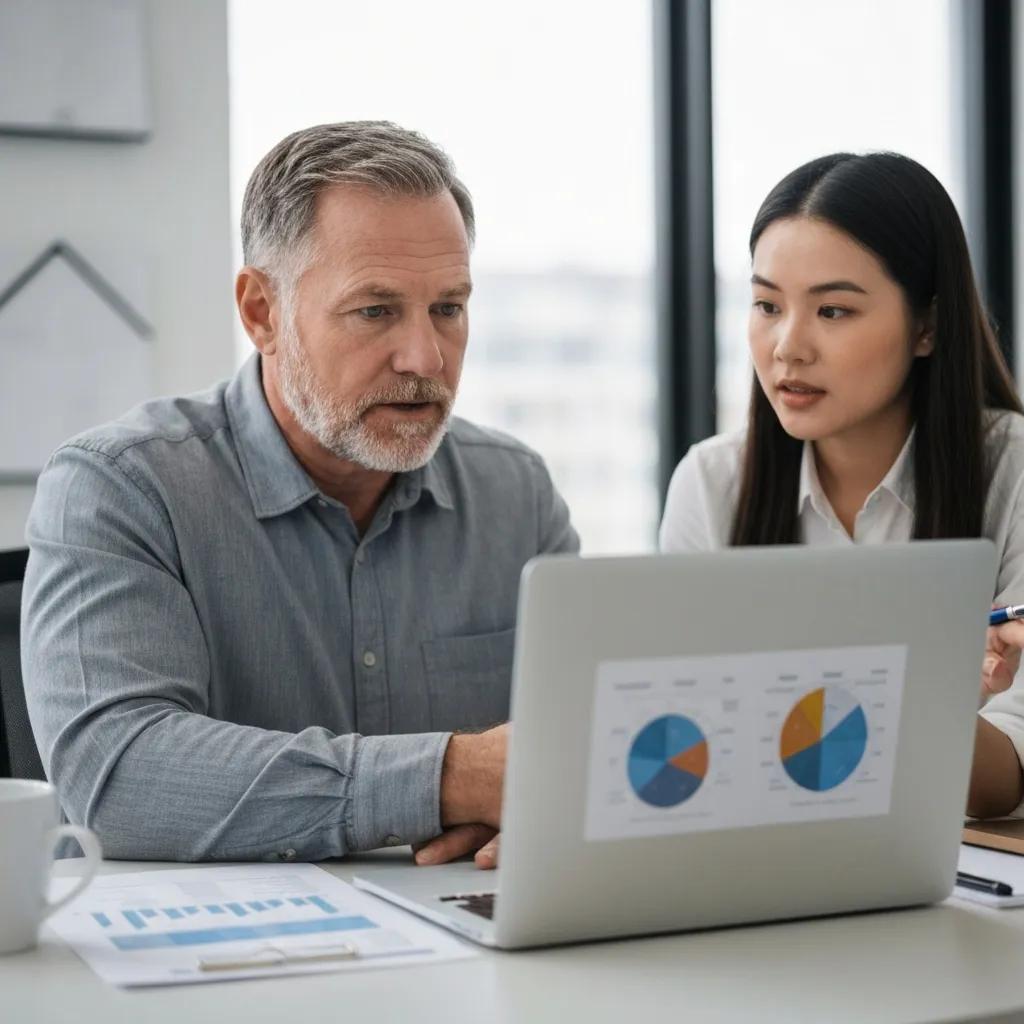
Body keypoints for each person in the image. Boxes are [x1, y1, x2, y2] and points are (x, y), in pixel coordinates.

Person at [22, 121, 577, 867]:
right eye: (375, 311)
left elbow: (584, 749)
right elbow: (116, 778)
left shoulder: (517, 494)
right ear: (261, 312)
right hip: (214, 968)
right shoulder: (120, 488)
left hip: (473, 942)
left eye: (448, 307)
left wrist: (542, 804)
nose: (425, 357)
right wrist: (447, 778)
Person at [660, 151, 1024, 819]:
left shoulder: (1015, 472)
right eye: (767, 304)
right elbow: (690, 747)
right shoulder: (712, 482)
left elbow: (1005, 783)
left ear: (928, 326)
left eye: (832, 312)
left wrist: (900, 700)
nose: (787, 347)